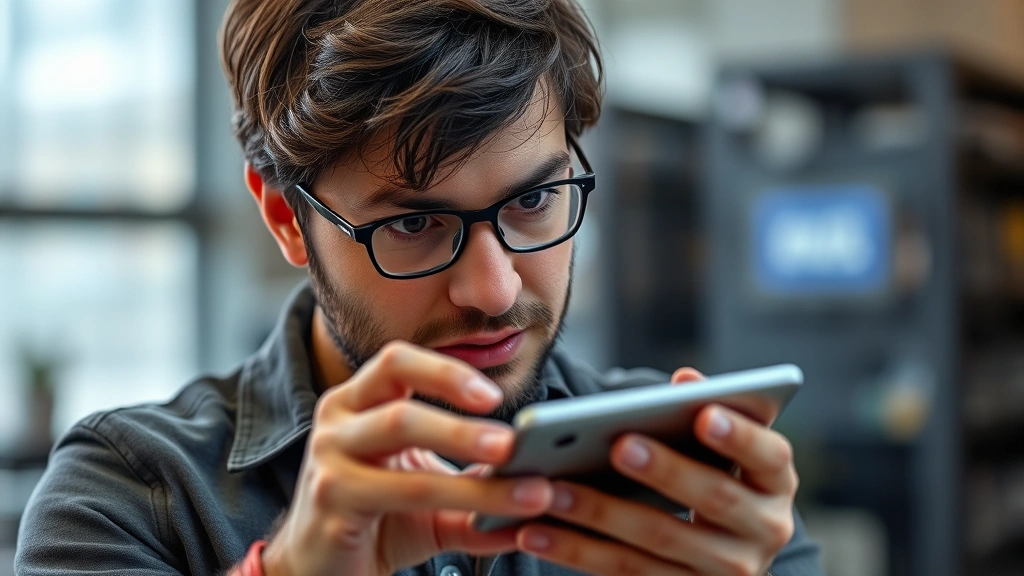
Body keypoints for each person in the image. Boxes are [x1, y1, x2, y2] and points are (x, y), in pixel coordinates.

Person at [16, 0, 824, 574]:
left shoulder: (692, 487)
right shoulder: (130, 494)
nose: (495, 289)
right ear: (286, 218)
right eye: (414, 225)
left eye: (535, 200)